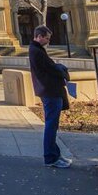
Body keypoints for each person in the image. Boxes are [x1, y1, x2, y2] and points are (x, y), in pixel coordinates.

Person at [28, 25, 73, 169]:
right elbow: (49, 70)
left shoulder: (37, 50)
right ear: (39, 36)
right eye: (46, 38)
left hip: (50, 92)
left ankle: (55, 155)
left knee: (52, 126)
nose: (48, 41)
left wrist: (58, 68)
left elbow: (50, 68)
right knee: (51, 126)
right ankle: (50, 158)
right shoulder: (37, 51)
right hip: (50, 92)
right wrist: (61, 69)